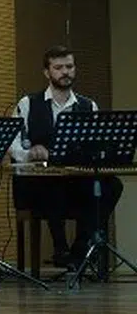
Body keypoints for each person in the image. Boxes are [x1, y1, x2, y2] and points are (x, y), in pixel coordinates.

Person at [10, 45, 123, 268]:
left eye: (69, 67)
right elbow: (13, 145)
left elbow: (97, 143)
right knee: (53, 184)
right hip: (38, 183)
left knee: (112, 185)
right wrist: (29, 153)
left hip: (76, 181)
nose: (65, 72)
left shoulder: (88, 105)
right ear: (47, 72)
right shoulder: (28, 103)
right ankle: (60, 249)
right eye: (58, 67)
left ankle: (80, 250)